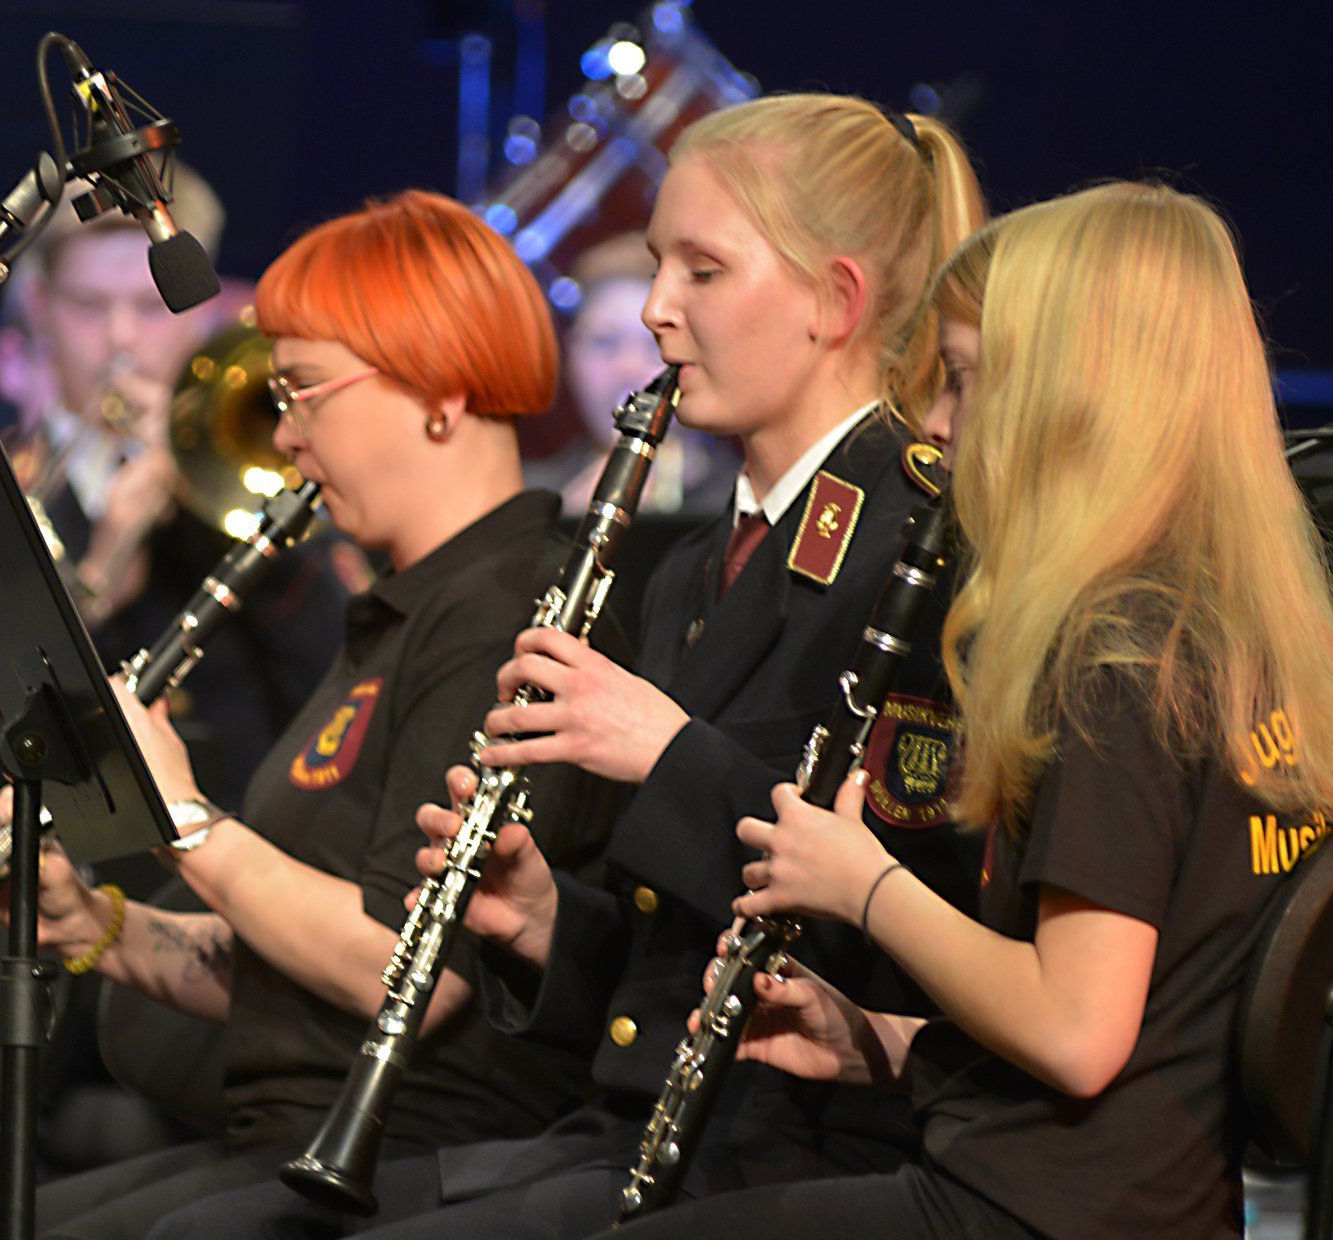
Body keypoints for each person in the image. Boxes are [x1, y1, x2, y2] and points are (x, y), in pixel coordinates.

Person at [151, 92, 987, 1240]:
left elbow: (907, 909)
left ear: (834, 302)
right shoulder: (696, 563)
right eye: (657, 266)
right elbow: (669, 956)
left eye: (702, 271)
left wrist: (663, 750)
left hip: (803, 1143)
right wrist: (548, 918)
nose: (653, 311)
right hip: (642, 1123)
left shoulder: (921, 542)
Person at [601, 182, 1333, 1239]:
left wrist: (863, 883)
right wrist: (885, 1040)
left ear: (1072, 393)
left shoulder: (1115, 654)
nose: (939, 425)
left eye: (961, 380)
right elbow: (1146, 1041)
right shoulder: (1236, 633)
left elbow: (1079, 1030)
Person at [0, 190, 619, 1240]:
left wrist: (180, 817)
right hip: (281, 1138)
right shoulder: (404, 608)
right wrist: (106, 931)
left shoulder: (506, 608)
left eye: (305, 391)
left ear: (440, 391)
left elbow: (399, 967)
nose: (284, 435)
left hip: (410, 1162)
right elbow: (288, 965)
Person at [0, 165, 346, 803]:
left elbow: (343, 689)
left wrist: (215, 511)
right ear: (40, 312)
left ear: (197, 313)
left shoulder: (266, 470)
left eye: (151, 307)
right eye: (89, 307)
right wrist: (92, 589)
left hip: (233, 847)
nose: (122, 339)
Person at [525, 231, 738, 514]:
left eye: (654, 345)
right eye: (605, 343)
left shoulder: (743, 507)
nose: (628, 368)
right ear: (571, 353)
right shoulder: (527, 501)